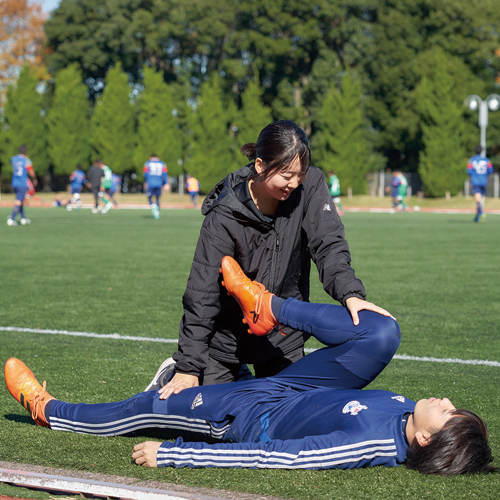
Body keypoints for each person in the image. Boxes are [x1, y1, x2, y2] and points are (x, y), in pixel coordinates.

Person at [4, 258, 496, 475]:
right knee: (381, 332)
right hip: (296, 387)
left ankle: (52, 410)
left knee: (152, 405)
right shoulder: (407, 409)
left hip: (251, 414)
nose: (446, 402)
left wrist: (179, 457)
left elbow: (281, 458)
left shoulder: (372, 444)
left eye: (449, 414)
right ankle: (268, 307)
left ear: (427, 440)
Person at [155, 120, 393, 401]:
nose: (294, 183)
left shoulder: (310, 186)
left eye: (300, 173)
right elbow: (202, 291)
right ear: (259, 166)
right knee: (213, 427)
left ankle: (244, 381)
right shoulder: (223, 216)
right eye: (286, 174)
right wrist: (188, 367)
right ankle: (173, 374)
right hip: (227, 343)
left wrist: (350, 293)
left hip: (282, 338)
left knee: (281, 421)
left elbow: (328, 243)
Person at [7, 145, 37, 226]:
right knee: (19, 201)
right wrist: (34, 179)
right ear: (26, 152)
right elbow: (31, 172)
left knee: (21, 200)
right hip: (22, 183)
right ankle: (11, 219)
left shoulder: (13, 159)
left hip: (14, 182)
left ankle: (23, 218)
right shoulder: (26, 160)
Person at [467, 145, 494, 223]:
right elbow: (491, 170)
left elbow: (469, 171)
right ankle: (477, 216)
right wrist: (485, 175)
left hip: (475, 181)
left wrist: (474, 175)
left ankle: (481, 212)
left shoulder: (471, 160)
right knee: (480, 198)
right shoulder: (487, 160)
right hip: (484, 181)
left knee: (477, 199)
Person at [143, 155, 170, 220]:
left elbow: (145, 173)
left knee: (149, 197)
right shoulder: (162, 163)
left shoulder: (147, 163)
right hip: (159, 183)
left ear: (151, 158)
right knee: (158, 198)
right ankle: (157, 211)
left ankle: (153, 206)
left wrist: (145, 181)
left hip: (150, 183)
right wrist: (166, 183)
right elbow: (165, 174)